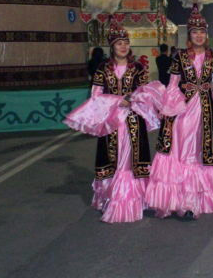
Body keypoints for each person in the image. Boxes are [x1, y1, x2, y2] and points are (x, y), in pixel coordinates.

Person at [143, 3, 213, 219]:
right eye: (195, 32)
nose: (199, 36)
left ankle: (198, 200)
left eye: (202, 32)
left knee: (204, 151)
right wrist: (169, 109)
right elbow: (173, 85)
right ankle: (183, 202)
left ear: (206, 35)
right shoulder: (180, 57)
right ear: (189, 35)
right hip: (184, 110)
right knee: (183, 151)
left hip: (207, 110)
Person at [63, 22, 153, 223]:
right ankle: (113, 197)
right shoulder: (103, 68)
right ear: (112, 46)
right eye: (119, 43)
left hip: (132, 120)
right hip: (111, 122)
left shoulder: (137, 67)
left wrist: (134, 99)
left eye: (126, 43)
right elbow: (95, 96)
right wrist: (117, 101)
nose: (123, 46)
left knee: (130, 160)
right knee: (114, 159)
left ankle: (135, 198)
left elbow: (145, 92)